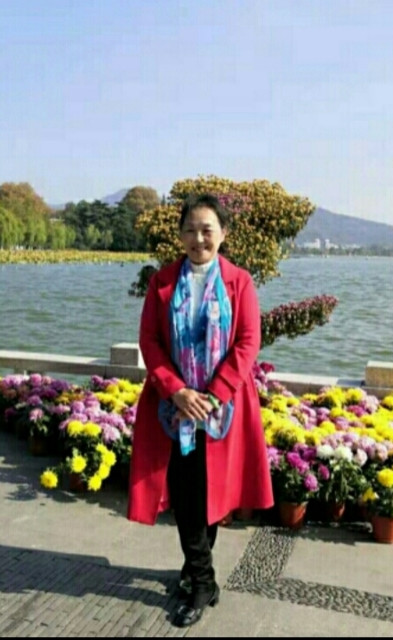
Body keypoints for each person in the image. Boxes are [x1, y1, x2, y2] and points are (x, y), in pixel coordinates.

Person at [127, 193, 274, 628]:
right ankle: (203, 578)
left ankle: (197, 574)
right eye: (190, 230)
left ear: (223, 233)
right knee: (187, 492)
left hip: (221, 408)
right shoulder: (162, 282)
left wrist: (213, 394)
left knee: (208, 494)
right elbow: (150, 341)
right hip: (174, 410)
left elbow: (248, 342)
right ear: (179, 235)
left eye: (207, 229)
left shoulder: (239, 282)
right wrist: (176, 391)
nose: (198, 238)